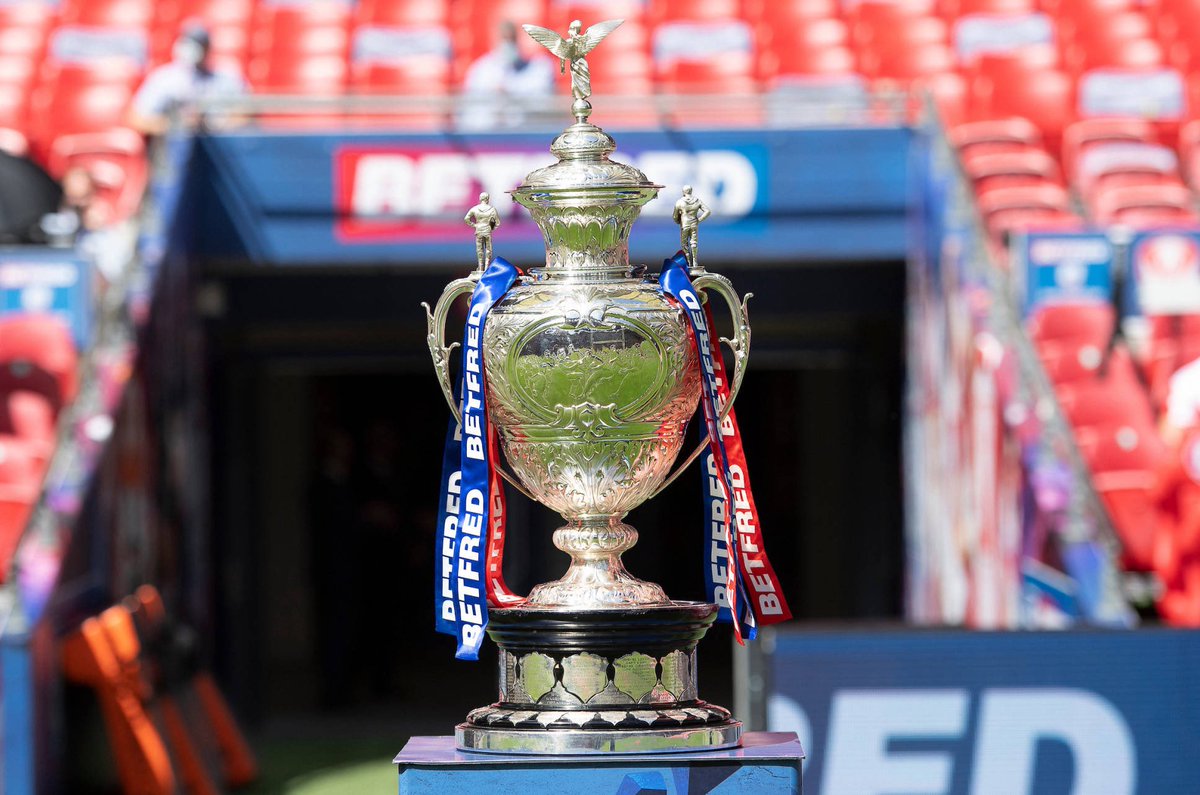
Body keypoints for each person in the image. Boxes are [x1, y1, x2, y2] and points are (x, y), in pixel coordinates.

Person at [128, 22, 247, 136]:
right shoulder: (165, 78)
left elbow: (246, 114)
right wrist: (177, 125)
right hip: (176, 150)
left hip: (219, 148)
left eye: (199, 44)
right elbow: (137, 118)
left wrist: (216, 126)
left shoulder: (225, 77)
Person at [458, 20, 555, 130]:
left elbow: (543, 105)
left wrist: (512, 92)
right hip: (489, 135)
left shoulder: (538, 68)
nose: (507, 44)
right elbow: (469, 112)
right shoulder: (481, 70)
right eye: (504, 39)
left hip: (525, 135)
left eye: (511, 39)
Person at [673, 185, 711, 271]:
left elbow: (675, 216)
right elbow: (707, 211)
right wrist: (699, 220)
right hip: (694, 223)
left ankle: (688, 262)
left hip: (684, 224)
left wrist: (679, 221)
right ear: (691, 191)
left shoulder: (679, 202)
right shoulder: (697, 201)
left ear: (683, 192)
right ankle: (695, 261)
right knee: (694, 242)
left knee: (684, 244)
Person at [464, 192, 500, 271]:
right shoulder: (492, 209)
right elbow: (497, 223)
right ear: (487, 199)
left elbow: (466, 219)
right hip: (487, 231)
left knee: (479, 250)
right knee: (488, 249)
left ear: (480, 199)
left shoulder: (475, 208)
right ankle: (487, 267)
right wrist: (491, 228)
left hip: (479, 230)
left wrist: (474, 225)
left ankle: (480, 268)